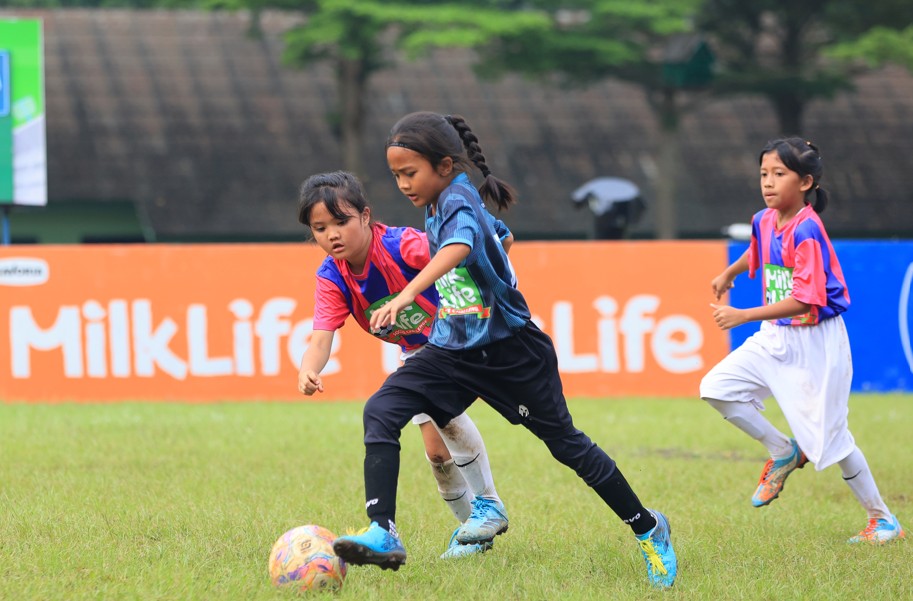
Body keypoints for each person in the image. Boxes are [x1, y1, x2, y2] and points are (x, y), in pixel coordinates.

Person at [331, 111, 677, 589]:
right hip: (451, 348)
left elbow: (458, 246)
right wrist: (491, 272)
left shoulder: (457, 199)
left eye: (410, 172)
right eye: (396, 175)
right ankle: (382, 530)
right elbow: (501, 235)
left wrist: (409, 293)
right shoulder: (440, 202)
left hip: (510, 353)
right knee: (382, 408)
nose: (403, 184)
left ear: (445, 166)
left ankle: (648, 527)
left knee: (567, 446)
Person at [296, 170, 512, 559]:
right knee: (437, 454)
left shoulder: (402, 246)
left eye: (341, 222)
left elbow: (468, 248)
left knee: (445, 416)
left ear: (365, 216)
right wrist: (308, 368)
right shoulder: (332, 275)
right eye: (320, 228)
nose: (332, 235)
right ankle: (475, 534)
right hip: (419, 353)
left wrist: (495, 246)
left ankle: (488, 507)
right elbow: (321, 338)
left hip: (463, 337)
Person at [700, 137, 904, 544]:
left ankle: (883, 520)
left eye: (779, 174)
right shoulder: (764, 218)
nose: (768, 182)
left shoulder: (807, 229)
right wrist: (730, 272)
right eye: (763, 173)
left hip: (815, 342)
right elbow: (758, 250)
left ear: (806, 182)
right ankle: (784, 451)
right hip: (775, 335)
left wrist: (743, 315)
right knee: (716, 388)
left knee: (830, 440)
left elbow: (805, 300)